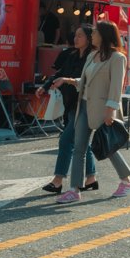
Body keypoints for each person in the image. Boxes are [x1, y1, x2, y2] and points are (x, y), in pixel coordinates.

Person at [55, 21, 130, 203]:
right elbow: (86, 81)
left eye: (95, 33)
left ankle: (127, 180)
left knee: (108, 146)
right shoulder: (92, 55)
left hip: (103, 109)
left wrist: (111, 111)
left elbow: (115, 88)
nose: (92, 36)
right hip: (83, 106)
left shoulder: (117, 58)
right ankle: (74, 190)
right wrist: (67, 80)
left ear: (104, 35)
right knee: (79, 148)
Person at [41, 24, 96, 194]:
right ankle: (91, 178)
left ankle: (58, 181)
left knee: (66, 141)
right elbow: (59, 73)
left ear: (89, 38)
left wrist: (67, 80)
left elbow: (88, 80)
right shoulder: (71, 55)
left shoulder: (93, 58)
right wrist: (45, 86)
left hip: (85, 104)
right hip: (70, 104)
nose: (76, 38)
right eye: (75, 35)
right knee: (82, 143)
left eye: (80, 36)